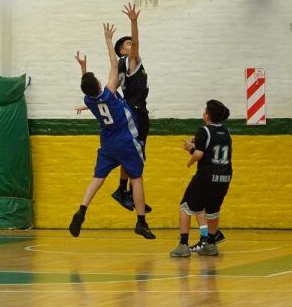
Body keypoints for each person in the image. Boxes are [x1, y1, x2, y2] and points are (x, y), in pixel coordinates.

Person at [69, 23, 155, 240]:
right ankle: (141, 221)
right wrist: (108, 41)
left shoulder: (89, 99)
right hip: (125, 140)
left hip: (107, 144)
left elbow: (87, 85)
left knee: (97, 179)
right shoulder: (109, 93)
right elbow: (113, 65)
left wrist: (83, 68)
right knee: (137, 178)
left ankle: (82, 209)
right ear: (100, 83)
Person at [170, 100, 232, 257]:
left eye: (205, 110)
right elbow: (212, 145)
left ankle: (183, 245)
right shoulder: (226, 131)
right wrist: (197, 141)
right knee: (212, 211)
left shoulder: (204, 130)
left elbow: (199, 154)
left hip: (206, 176)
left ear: (208, 115)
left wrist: (190, 157)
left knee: (185, 206)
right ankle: (210, 244)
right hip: (224, 177)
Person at [110, 4, 152, 214]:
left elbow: (110, 90)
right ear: (122, 51)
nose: (131, 45)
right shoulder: (130, 60)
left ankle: (123, 190)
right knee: (135, 155)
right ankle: (124, 191)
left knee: (133, 153)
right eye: (127, 44)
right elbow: (136, 42)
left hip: (134, 111)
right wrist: (134, 21)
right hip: (136, 113)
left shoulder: (123, 67)